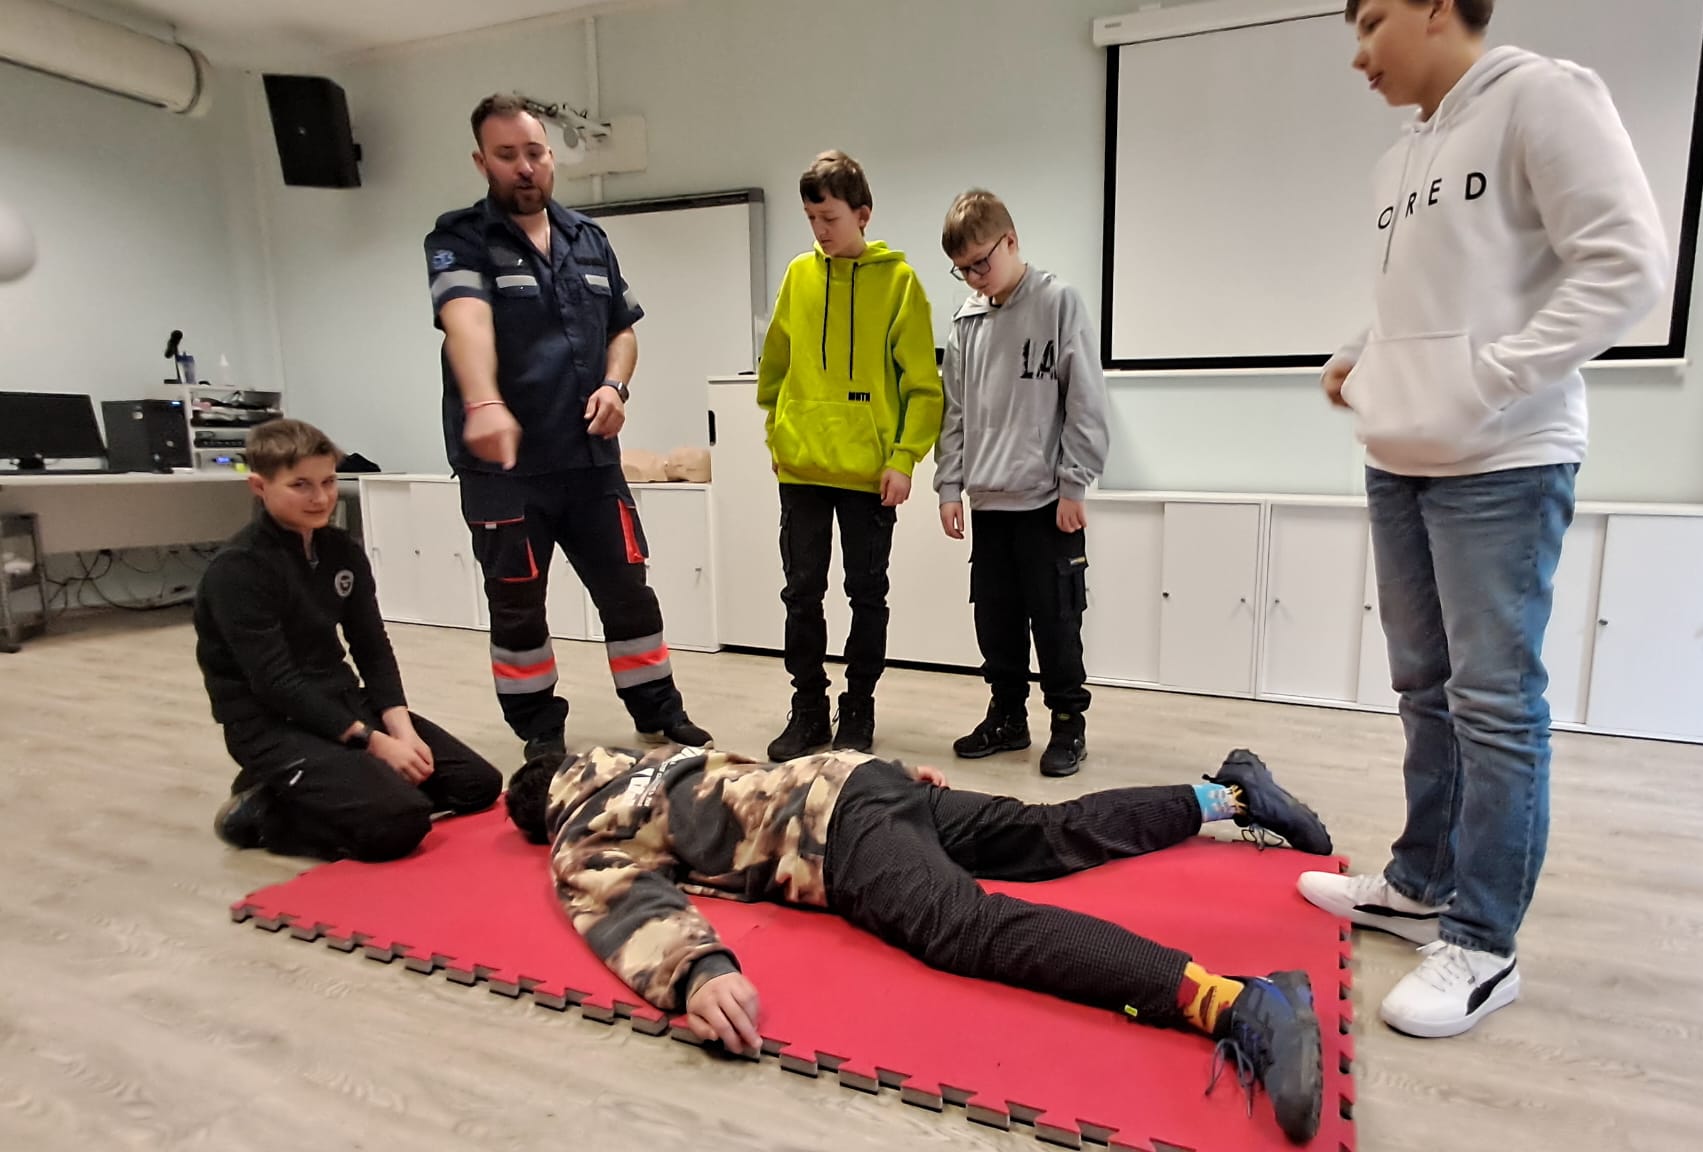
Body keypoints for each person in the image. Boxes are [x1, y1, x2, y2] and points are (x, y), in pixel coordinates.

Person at [1295, 0, 1670, 1039]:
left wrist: (1489, 379)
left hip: (1503, 461)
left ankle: (1483, 939)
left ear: (1432, 6)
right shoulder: (1400, 157)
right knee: (1423, 686)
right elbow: (1429, 304)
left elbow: (1627, 263)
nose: (1359, 55)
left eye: (1371, 21)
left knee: (1494, 702)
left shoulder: (1541, 97)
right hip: (1398, 460)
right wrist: (1362, 353)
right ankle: (1421, 884)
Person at [505, 742, 1332, 1144]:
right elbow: (756, 777)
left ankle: (1235, 1001)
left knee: (962, 927)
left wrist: (697, 971)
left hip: (832, 833)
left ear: (543, 813)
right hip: (856, 777)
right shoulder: (655, 760)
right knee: (1044, 833)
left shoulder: (579, 829)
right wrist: (891, 772)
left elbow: (623, 900)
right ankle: (1228, 795)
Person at [423, 93, 712, 764]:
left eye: (534, 152)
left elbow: (623, 331)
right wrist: (483, 401)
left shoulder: (589, 238)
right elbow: (465, 320)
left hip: (590, 462)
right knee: (518, 605)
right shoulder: (459, 239)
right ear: (482, 162)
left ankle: (659, 712)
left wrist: (615, 385)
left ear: (552, 156)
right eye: (507, 155)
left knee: (629, 592)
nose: (524, 167)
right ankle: (539, 729)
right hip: (505, 471)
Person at [197, 419, 503, 860]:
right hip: (271, 724)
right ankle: (266, 812)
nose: (321, 498)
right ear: (260, 486)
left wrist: (400, 728)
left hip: (341, 702)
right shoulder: (238, 569)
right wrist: (373, 743)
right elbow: (276, 684)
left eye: (328, 481)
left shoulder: (340, 550)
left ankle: (335, 788)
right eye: (300, 485)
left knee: (477, 785)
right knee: (400, 824)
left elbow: (371, 645)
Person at [755, 150, 944, 761]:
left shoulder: (900, 283)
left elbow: (923, 387)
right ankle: (808, 708)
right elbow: (775, 367)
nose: (820, 230)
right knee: (801, 594)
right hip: (802, 468)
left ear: (863, 214)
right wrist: (777, 435)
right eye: (811, 218)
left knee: (867, 595)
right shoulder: (798, 276)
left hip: (869, 475)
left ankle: (857, 705)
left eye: (830, 218)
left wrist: (905, 458)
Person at [933, 189, 1109, 778]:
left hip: (1046, 502)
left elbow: (1085, 400)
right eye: (962, 269)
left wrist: (1074, 484)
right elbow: (955, 411)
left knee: (1056, 620)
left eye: (981, 262)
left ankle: (1068, 724)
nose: (974, 277)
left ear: (1011, 241)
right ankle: (1008, 717)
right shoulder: (967, 321)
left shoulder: (1058, 302)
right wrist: (950, 486)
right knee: (996, 620)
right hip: (989, 500)